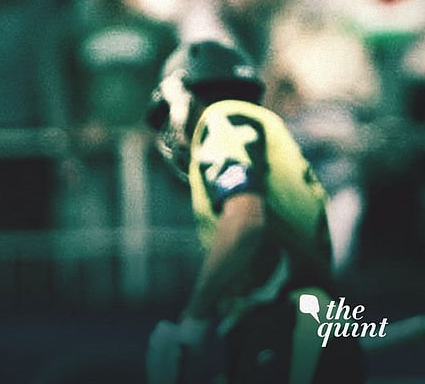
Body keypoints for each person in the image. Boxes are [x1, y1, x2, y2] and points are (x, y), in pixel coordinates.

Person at [143, 40, 366, 384]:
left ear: (181, 94)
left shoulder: (221, 118)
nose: (170, 134)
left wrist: (193, 320)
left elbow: (245, 219)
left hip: (288, 322)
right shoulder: (260, 127)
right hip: (308, 317)